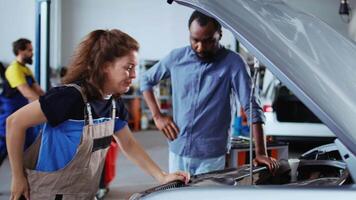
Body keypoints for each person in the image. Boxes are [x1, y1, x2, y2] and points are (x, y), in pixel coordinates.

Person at [6, 29, 189, 200]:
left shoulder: (113, 103)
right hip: (46, 194)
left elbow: (128, 143)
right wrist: (18, 176)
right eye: (128, 67)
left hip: (84, 194)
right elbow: (14, 122)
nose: (134, 75)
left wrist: (162, 176)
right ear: (104, 66)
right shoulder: (69, 97)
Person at [141, 11, 278, 175]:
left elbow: (252, 107)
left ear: (219, 34)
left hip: (211, 157)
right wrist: (157, 116)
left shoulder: (233, 63)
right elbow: (146, 80)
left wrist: (261, 153)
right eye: (195, 40)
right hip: (177, 150)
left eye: (208, 41)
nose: (200, 47)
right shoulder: (176, 58)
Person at [0, 38, 44, 167]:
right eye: (29, 50)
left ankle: (26, 179)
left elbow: (38, 90)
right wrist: (46, 107)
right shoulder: (14, 69)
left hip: (21, 112)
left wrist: (53, 100)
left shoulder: (26, 69)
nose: (32, 53)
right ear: (20, 51)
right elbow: (27, 92)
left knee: (27, 146)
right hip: (9, 113)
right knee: (3, 146)